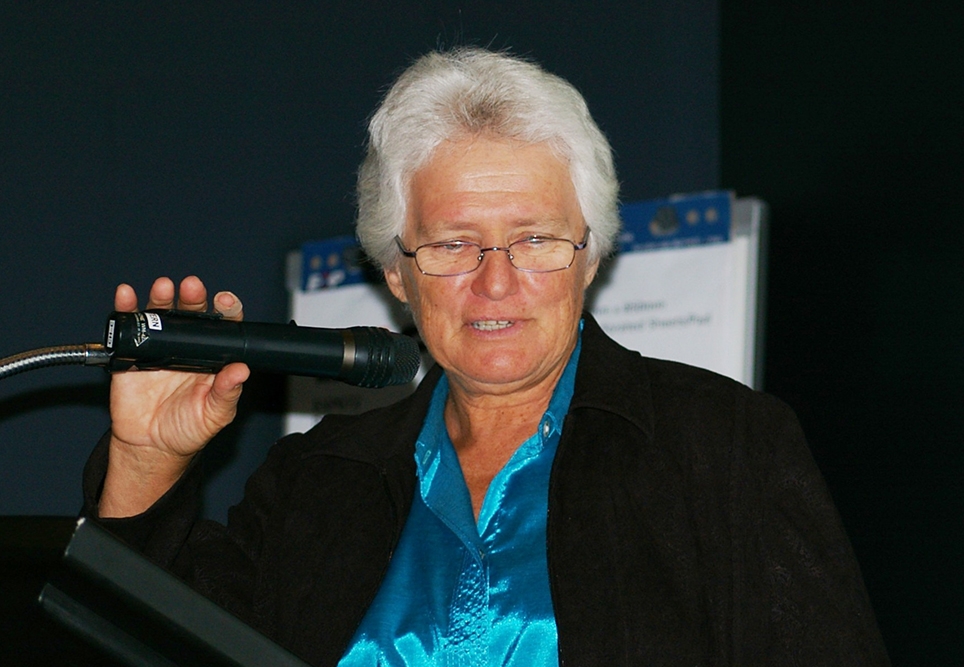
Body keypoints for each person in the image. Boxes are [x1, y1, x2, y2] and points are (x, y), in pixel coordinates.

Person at [84, 48, 889, 666]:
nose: (495, 280)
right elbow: (144, 641)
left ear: (590, 256)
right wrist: (145, 460)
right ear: (397, 273)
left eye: (535, 239)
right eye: (454, 242)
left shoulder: (725, 447)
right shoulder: (313, 481)